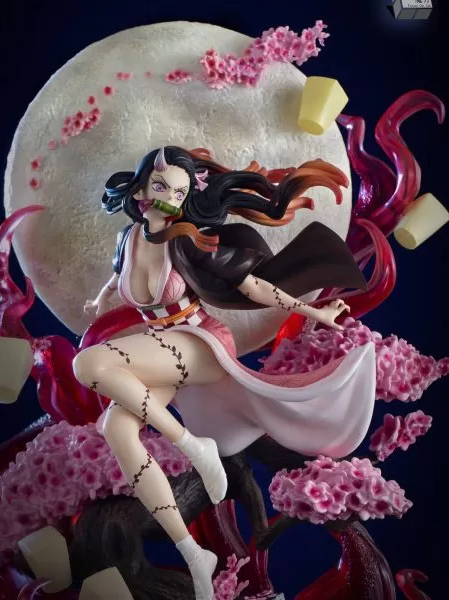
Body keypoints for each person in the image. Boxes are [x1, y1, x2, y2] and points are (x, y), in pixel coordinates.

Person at [73, 146, 376, 600]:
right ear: (141, 189)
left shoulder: (187, 240)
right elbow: (118, 276)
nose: (168, 199)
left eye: (178, 193)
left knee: (88, 363)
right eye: (160, 187)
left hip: (199, 339)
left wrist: (312, 310)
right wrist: (98, 301)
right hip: (160, 344)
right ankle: (194, 553)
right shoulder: (128, 238)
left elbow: (252, 286)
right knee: (115, 427)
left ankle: (193, 445)